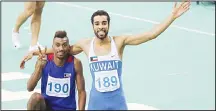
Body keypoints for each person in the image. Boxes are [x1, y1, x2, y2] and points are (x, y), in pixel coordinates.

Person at [21, 1, 190, 110]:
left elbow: (150, 34)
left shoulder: (119, 42)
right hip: (97, 103)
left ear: (108, 24)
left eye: (104, 23)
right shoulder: (87, 45)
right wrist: (34, 52)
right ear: (93, 26)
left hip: (117, 102)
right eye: (97, 23)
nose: (101, 26)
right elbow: (62, 49)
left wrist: (172, 16)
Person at [26, 30, 86, 110]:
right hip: (47, 108)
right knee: (35, 98)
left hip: (67, 109)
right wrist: (39, 67)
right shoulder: (44, 61)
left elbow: (81, 92)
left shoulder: (75, 63)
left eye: (64, 45)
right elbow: (30, 87)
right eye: (57, 45)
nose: (61, 48)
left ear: (69, 47)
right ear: (53, 47)